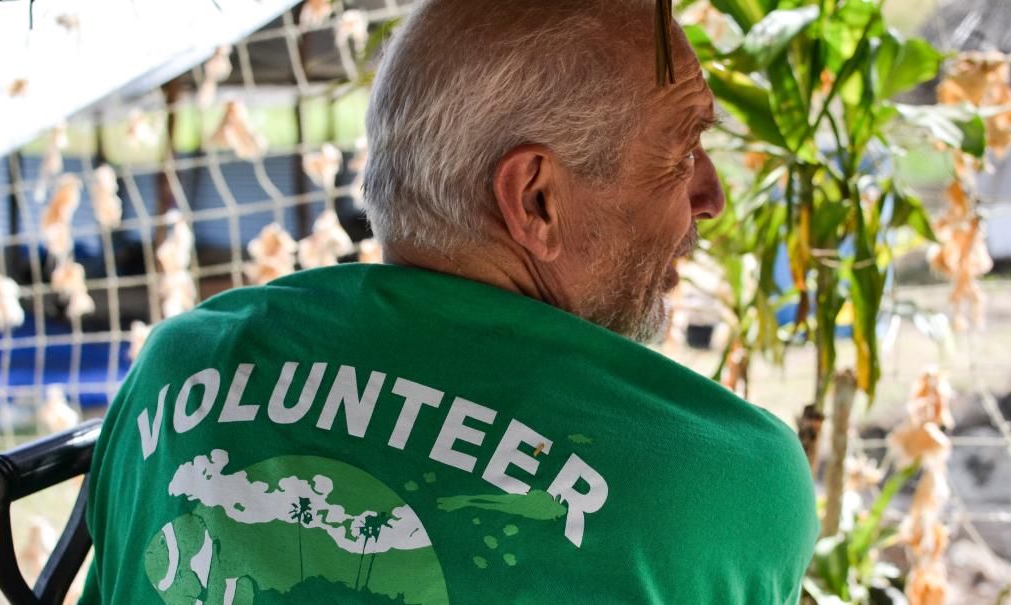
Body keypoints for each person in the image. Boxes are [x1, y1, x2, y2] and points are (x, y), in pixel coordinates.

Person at [82, 1, 818, 603]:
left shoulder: (176, 371)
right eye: (680, 151)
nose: (711, 195)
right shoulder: (722, 477)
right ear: (535, 199)